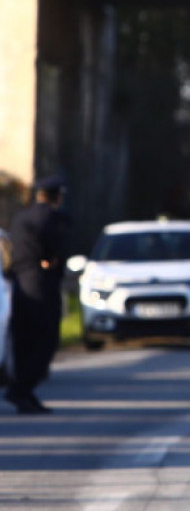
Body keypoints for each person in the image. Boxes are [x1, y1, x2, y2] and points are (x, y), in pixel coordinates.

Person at [7, 175, 69, 414]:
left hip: (20, 286)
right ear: (55, 196)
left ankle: (24, 393)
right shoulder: (50, 219)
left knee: (23, 342)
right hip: (42, 287)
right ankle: (21, 390)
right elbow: (53, 254)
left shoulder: (21, 217)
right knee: (45, 342)